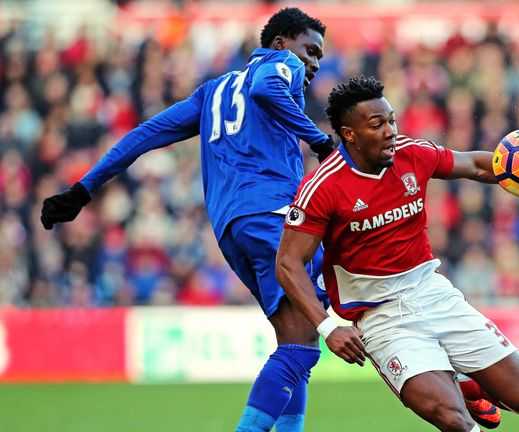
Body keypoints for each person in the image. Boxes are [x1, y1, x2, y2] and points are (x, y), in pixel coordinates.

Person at [40, 8, 336, 432]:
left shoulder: (211, 92)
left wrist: (84, 187)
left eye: (319, 56)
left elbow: (144, 135)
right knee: (303, 345)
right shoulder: (280, 67)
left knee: (296, 342)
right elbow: (266, 88)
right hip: (272, 217)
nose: (314, 63)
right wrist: (320, 140)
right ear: (280, 43)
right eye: (310, 50)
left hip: (233, 229)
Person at [275, 75, 519, 431]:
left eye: (391, 120)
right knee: (458, 424)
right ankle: (457, 391)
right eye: (377, 125)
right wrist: (328, 327)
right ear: (349, 134)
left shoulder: (411, 154)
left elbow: (479, 165)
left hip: (432, 293)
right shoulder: (324, 186)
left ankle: (468, 386)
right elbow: (288, 262)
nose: (391, 131)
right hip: (382, 317)